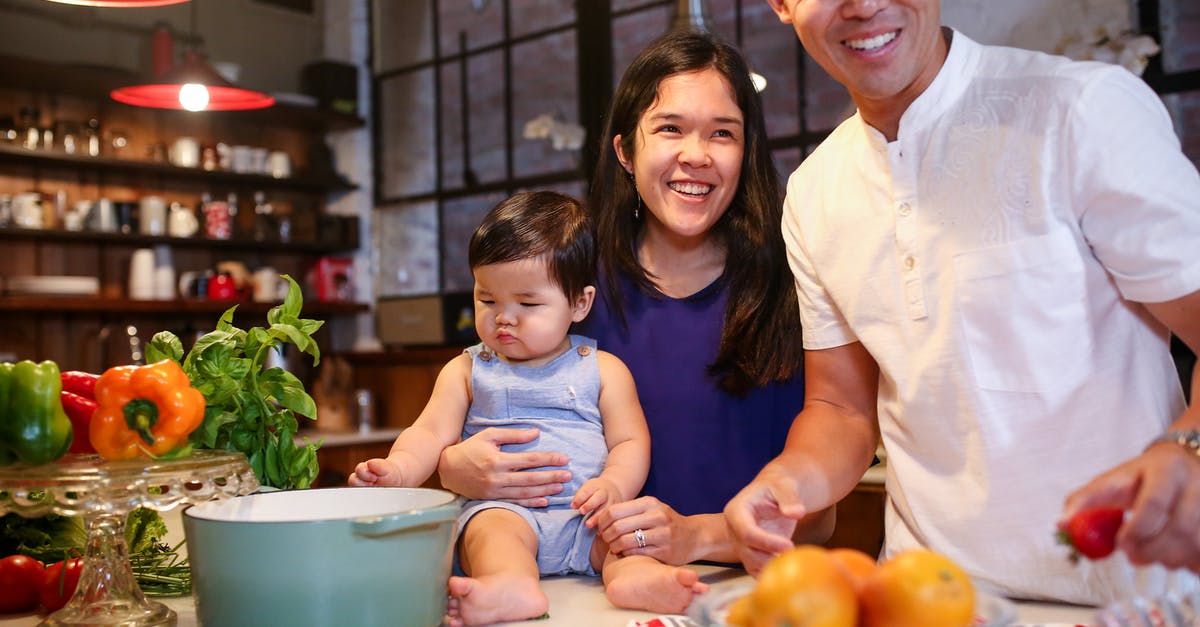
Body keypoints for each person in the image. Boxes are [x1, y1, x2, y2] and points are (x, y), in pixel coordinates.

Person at [725, 0, 1200, 607]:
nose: (864, 6)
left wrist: (1186, 449)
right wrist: (787, 481)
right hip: (924, 600)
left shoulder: (1082, 110)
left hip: (1130, 598)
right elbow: (839, 407)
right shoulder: (815, 190)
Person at [436, 29, 834, 573]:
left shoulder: (792, 287)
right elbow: (479, 416)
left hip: (739, 593)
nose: (696, 155)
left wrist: (696, 536)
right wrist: (452, 467)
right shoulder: (565, 288)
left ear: (746, 152)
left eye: (723, 134)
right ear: (625, 150)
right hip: (587, 593)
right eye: (670, 128)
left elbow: (819, 518)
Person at [349, 191, 707, 625]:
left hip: (585, 513)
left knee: (624, 536)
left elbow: (631, 441)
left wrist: (614, 484)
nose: (504, 317)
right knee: (489, 533)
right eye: (488, 300)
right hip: (506, 511)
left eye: (528, 303)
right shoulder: (466, 370)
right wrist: (400, 470)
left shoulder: (603, 369)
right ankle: (511, 587)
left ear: (580, 303)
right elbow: (428, 433)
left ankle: (635, 578)